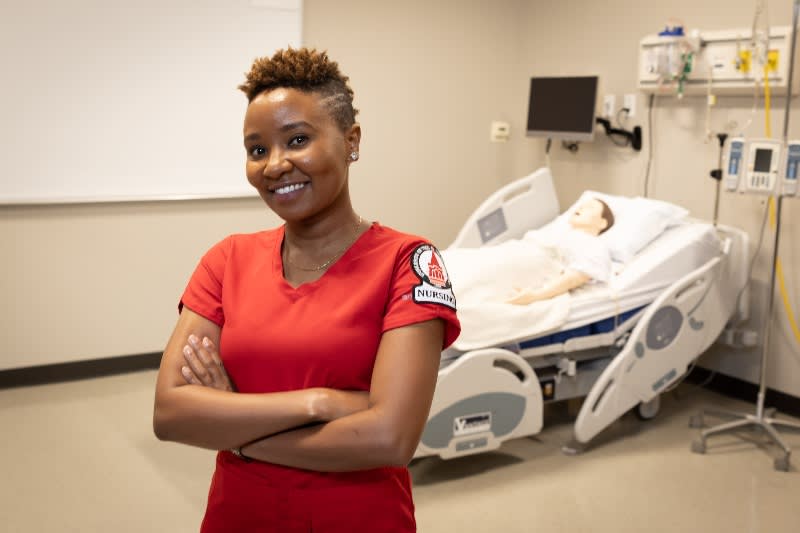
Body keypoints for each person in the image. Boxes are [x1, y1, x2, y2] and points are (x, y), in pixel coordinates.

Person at [152, 47, 460, 532]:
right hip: (238, 516)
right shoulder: (226, 260)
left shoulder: (409, 262)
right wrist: (319, 402)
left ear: (351, 140)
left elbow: (389, 439)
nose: (274, 165)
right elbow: (171, 414)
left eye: (297, 139)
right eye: (257, 149)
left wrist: (236, 433)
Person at [505, 197, 615, 304]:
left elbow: (578, 276)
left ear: (602, 223)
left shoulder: (594, 244)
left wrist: (536, 296)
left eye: (590, 207)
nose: (581, 208)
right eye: (581, 206)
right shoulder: (563, 236)